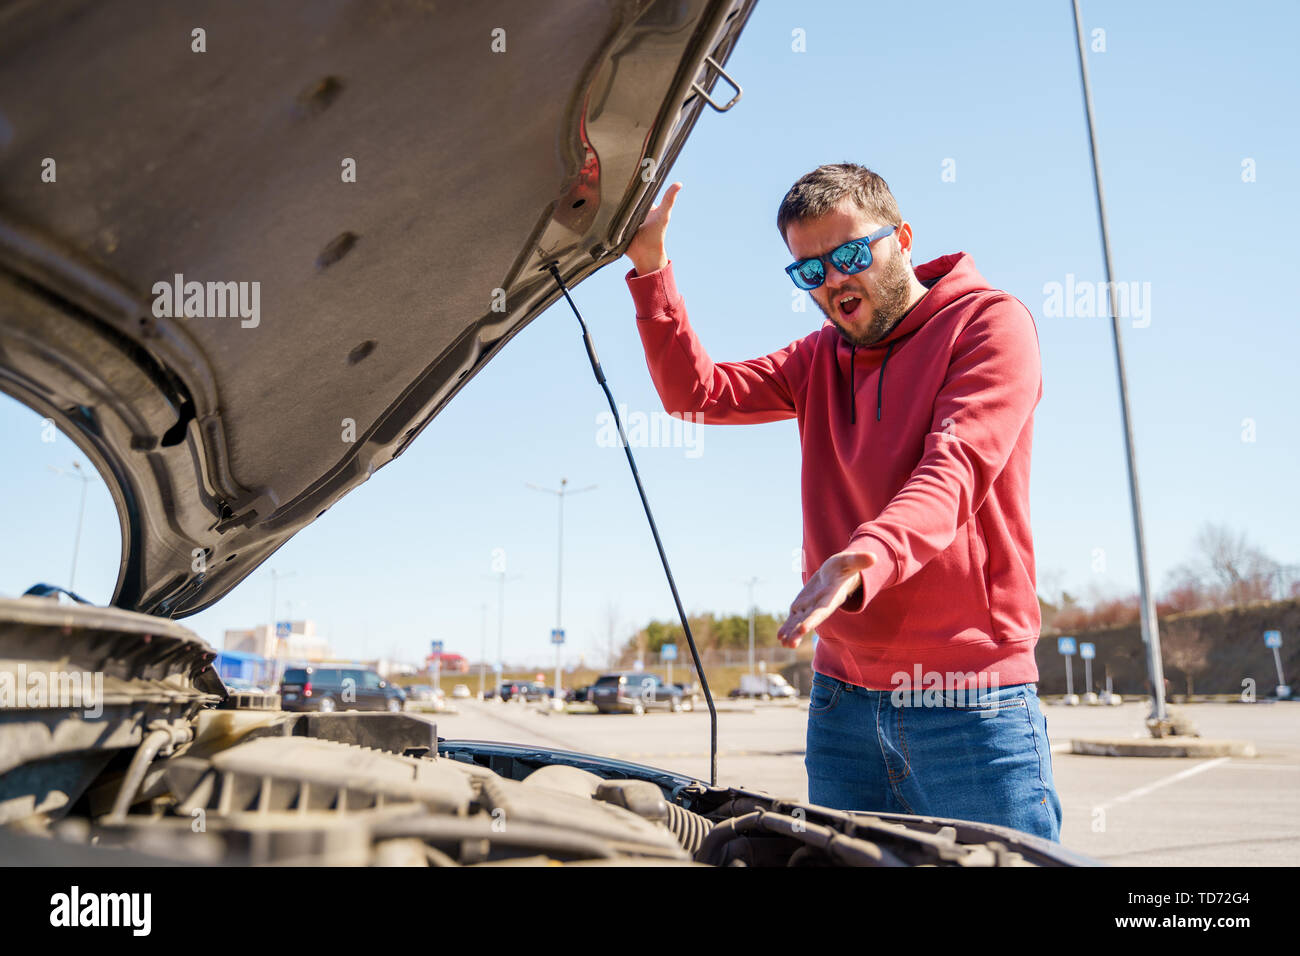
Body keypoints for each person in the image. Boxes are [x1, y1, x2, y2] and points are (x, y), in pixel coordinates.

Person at [622, 163, 1063, 841]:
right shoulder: (816, 359)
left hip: (971, 703)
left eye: (851, 253)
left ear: (904, 238)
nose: (833, 280)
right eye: (810, 270)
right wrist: (651, 270)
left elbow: (956, 466)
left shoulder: (990, 326)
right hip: (842, 707)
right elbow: (697, 393)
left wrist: (863, 558)